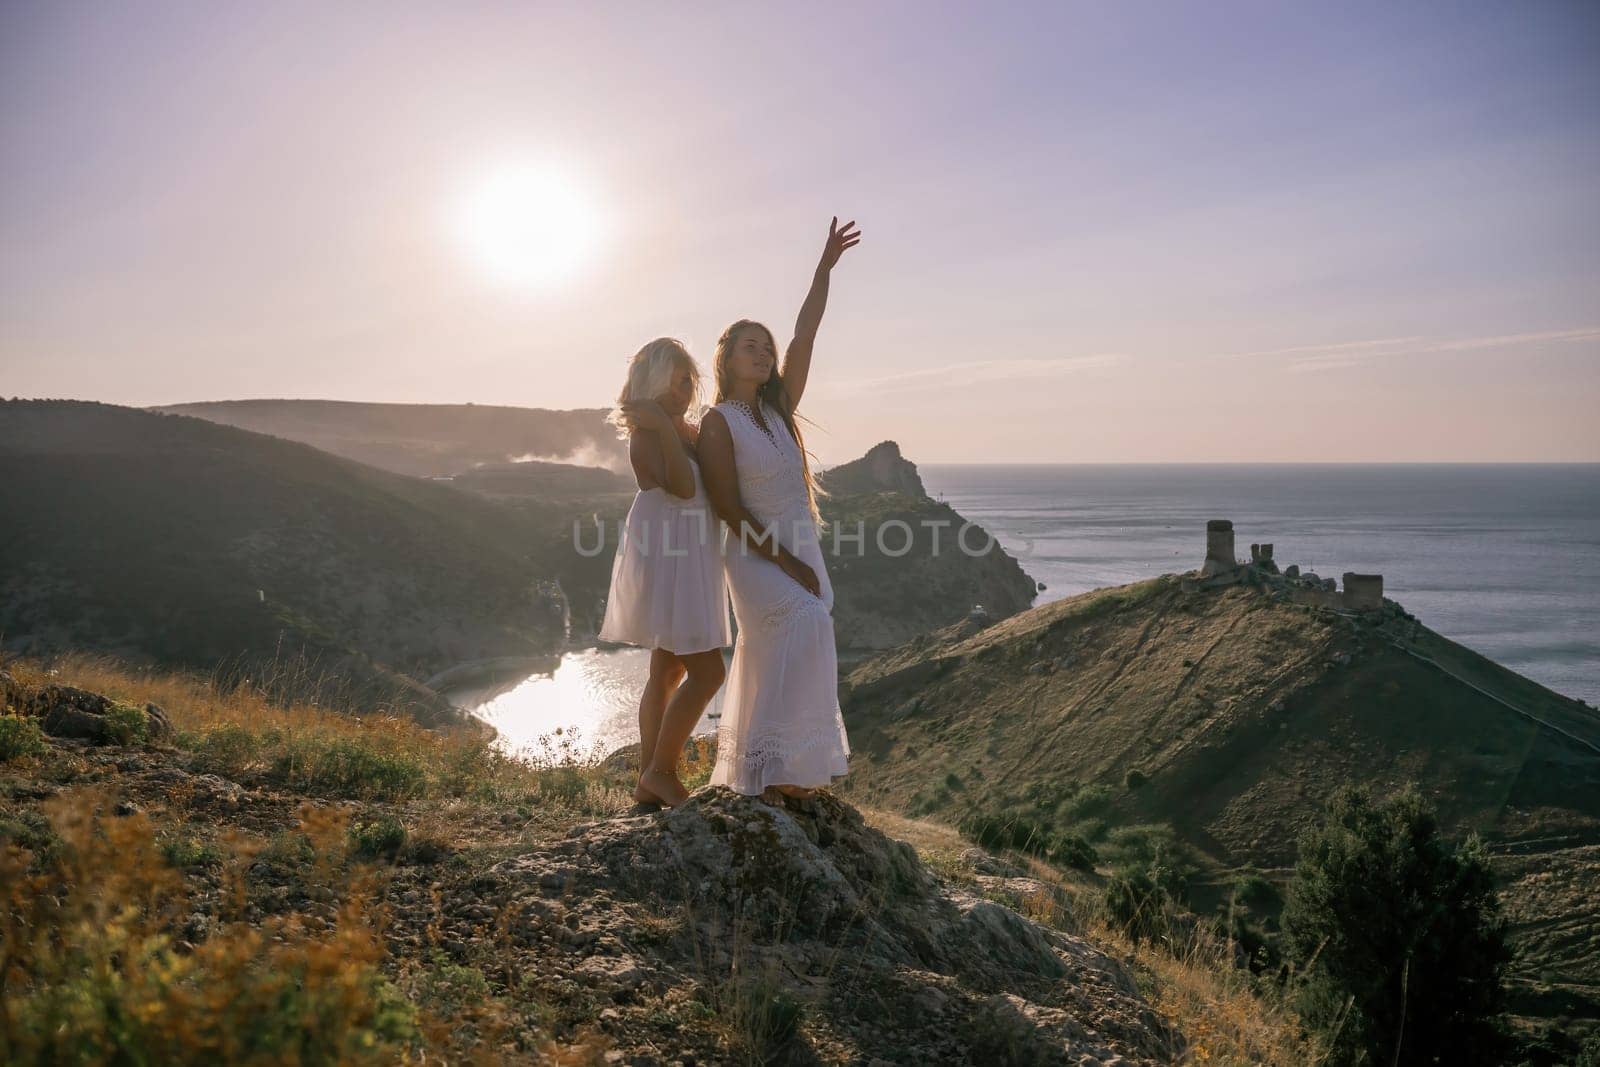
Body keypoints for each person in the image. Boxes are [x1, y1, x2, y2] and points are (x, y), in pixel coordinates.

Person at [696, 217, 861, 800]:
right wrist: (787, 563)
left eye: (766, 347)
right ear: (727, 358)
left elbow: (804, 337)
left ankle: (776, 771)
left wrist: (822, 271)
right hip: (755, 553)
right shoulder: (718, 423)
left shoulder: (778, 410)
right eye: (751, 346)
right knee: (803, 622)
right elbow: (726, 509)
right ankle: (776, 771)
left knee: (804, 635)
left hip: (800, 544)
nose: (764, 353)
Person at [597, 337, 732, 807]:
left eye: (688, 382)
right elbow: (679, 485)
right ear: (651, 382)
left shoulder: (679, 429)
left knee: (668, 670)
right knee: (709, 672)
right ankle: (661, 771)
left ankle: (646, 783)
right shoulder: (648, 435)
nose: (683, 391)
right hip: (673, 559)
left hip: (689, 556)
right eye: (675, 382)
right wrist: (662, 425)